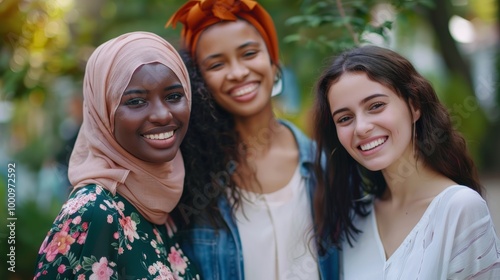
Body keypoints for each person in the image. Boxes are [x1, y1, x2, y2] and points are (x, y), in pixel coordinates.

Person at [165, 0, 339, 279]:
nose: (238, 72)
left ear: (273, 60)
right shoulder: (190, 176)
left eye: (249, 53)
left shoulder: (326, 164)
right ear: (200, 82)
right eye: (217, 64)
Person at [312, 45, 500, 279]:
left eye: (376, 106)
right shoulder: (353, 220)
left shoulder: (460, 208)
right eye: (345, 118)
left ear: (414, 106)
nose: (361, 127)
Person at [33, 31, 200, 279]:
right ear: (103, 112)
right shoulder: (93, 212)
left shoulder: (162, 197)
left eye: (174, 96)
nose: (163, 115)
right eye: (136, 101)